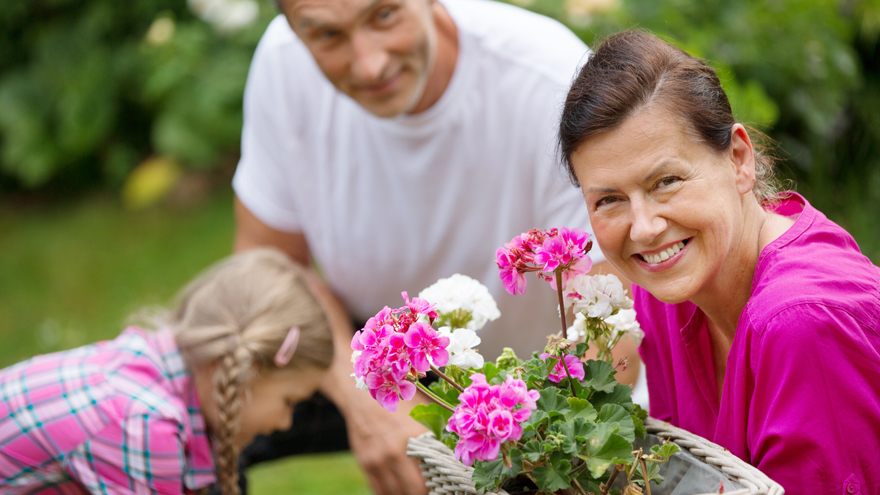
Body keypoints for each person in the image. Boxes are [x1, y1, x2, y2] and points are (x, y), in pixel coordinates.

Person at [231, 0, 645, 493]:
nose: (369, 64)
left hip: (547, 378)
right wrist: (362, 401)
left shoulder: (548, 78)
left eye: (384, 16)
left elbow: (614, 306)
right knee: (213, 395)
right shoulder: (282, 65)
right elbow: (266, 263)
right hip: (376, 359)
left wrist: (541, 451)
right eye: (327, 36)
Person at [558, 29, 880, 494]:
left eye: (665, 181)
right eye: (609, 199)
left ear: (738, 159)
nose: (644, 228)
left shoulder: (801, 324)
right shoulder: (672, 292)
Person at [0, 248, 335, 495]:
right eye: (289, 401)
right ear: (247, 369)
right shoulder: (146, 425)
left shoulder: (146, 367)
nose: (285, 422)